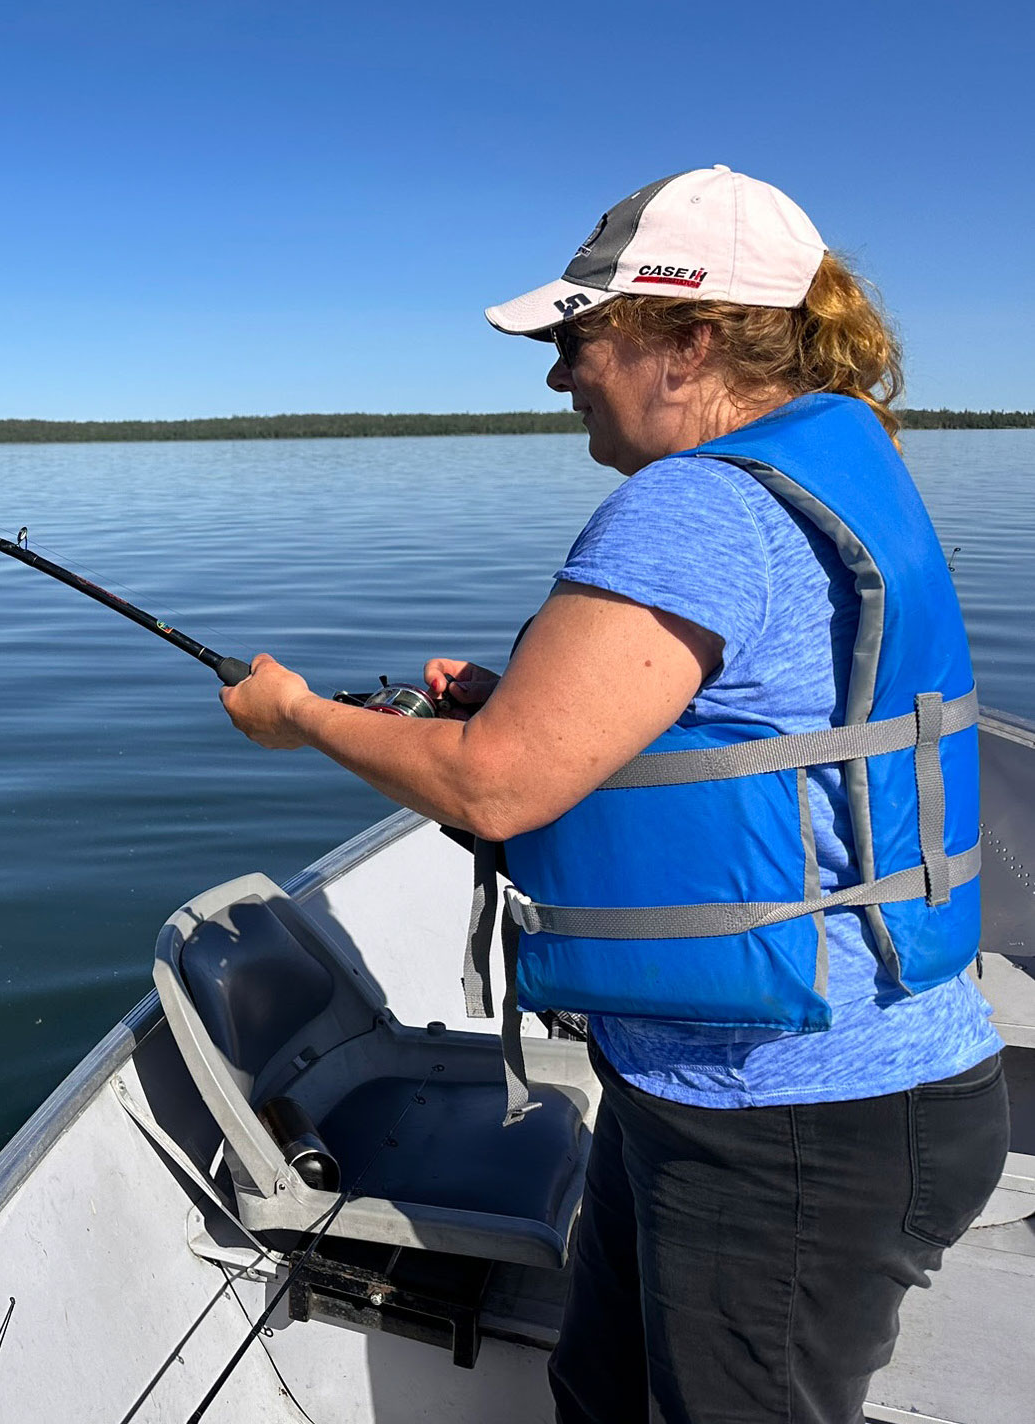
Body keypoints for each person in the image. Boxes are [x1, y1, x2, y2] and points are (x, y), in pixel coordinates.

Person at [219, 166, 1010, 1424]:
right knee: (601, 1392)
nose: (556, 375)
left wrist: (303, 716)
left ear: (689, 339)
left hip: (790, 1127)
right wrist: (516, 700)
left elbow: (497, 789)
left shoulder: (692, 508)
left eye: (578, 339)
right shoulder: (830, 476)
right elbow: (752, 720)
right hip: (757, 1093)